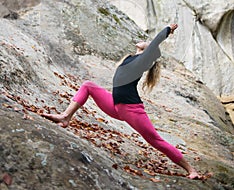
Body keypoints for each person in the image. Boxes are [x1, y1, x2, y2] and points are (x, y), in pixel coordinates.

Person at [42, 24, 200, 179]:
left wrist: (168, 29)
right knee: (88, 86)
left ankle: (191, 169)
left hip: (132, 110)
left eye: (148, 44)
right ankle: (65, 116)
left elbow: (157, 41)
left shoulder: (143, 61)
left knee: (156, 141)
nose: (144, 41)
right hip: (115, 105)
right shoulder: (131, 59)